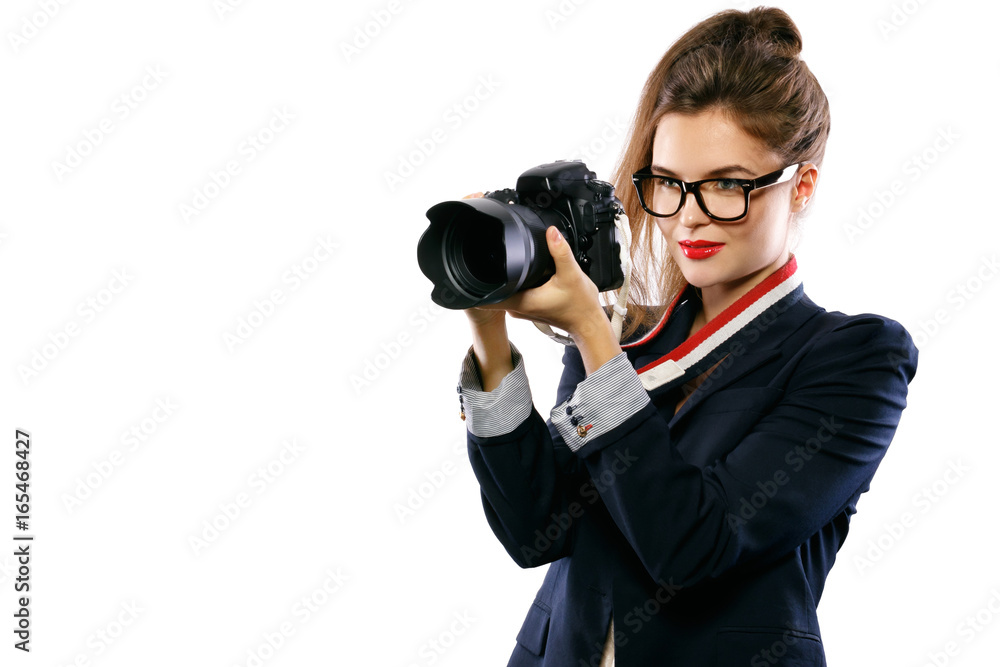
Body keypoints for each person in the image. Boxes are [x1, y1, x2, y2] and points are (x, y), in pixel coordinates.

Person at [454, 7, 918, 666]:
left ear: (802, 185)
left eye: (727, 185)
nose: (691, 216)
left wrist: (591, 331)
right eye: (670, 184)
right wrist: (490, 334)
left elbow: (695, 545)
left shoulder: (855, 358)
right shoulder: (627, 339)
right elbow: (535, 530)